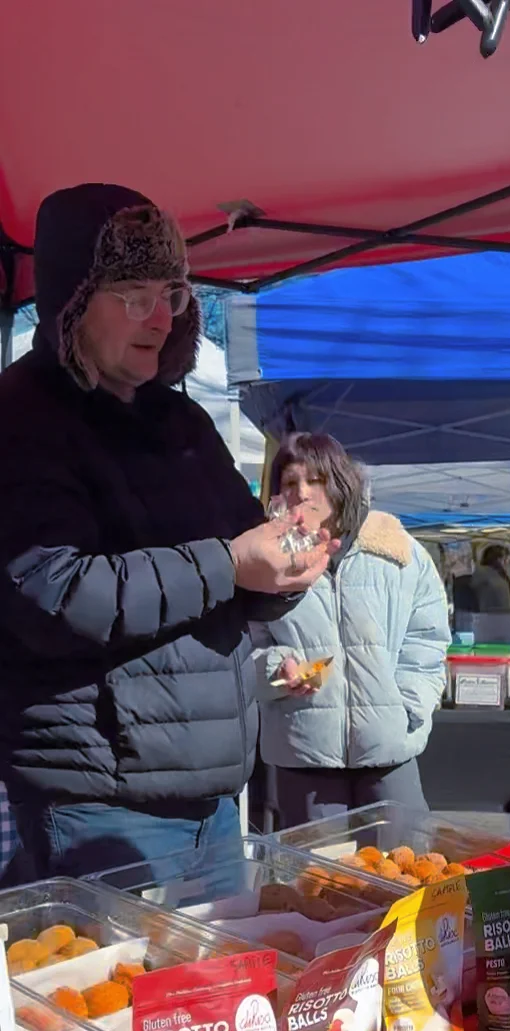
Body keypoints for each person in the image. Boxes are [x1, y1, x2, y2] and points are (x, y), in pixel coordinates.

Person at [0, 184, 333, 883]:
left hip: (212, 803)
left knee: (217, 991)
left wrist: (286, 566)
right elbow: (53, 593)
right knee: (114, 991)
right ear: (72, 302)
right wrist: (231, 564)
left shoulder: (183, 423)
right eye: (132, 295)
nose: (158, 316)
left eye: (171, 294)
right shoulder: (23, 417)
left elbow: (243, 560)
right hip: (98, 802)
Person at [252, 432, 450, 825]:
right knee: (315, 881)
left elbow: (427, 640)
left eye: (316, 480)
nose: (303, 493)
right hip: (304, 752)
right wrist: (277, 670)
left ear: (339, 483)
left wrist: (407, 708)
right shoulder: (264, 564)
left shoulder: (399, 554)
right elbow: (244, 647)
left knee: (403, 874)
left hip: (390, 752)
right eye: (291, 483)